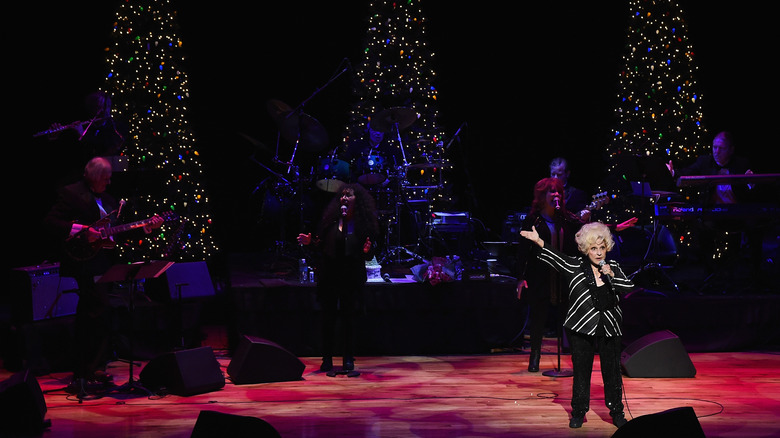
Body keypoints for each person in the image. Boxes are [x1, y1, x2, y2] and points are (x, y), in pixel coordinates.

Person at [43, 156, 164, 396]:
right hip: (81, 261)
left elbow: (117, 233)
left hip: (100, 263)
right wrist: (81, 230)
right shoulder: (70, 193)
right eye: (105, 179)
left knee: (97, 312)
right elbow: (50, 222)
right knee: (97, 308)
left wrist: (146, 227)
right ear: (95, 177)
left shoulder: (108, 201)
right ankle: (87, 369)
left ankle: (92, 368)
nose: (109, 183)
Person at [519, 221, 634, 429]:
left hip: (609, 327)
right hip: (581, 327)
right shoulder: (574, 266)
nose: (598, 253)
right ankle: (579, 412)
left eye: (602, 247)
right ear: (585, 249)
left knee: (613, 373)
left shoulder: (613, 267)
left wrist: (611, 276)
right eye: (593, 248)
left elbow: (628, 288)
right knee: (582, 372)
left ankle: (617, 412)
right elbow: (556, 258)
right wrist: (539, 242)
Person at [516, 178, 636, 373]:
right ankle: (535, 356)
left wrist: (615, 227)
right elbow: (523, 252)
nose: (556, 195)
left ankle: (578, 359)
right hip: (542, 276)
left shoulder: (564, 218)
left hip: (563, 277)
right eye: (551, 192)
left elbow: (587, 231)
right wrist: (520, 277)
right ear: (542, 196)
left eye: (558, 192)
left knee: (571, 319)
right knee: (538, 318)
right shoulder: (534, 220)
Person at [297, 183, 380, 372]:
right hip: (330, 277)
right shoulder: (331, 222)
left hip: (350, 277)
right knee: (328, 319)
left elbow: (369, 253)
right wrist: (310, 242)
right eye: (342, 195)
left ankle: (348, 358)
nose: (344, 198)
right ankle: (327, 359)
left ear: (357, 201)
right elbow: (320, 246)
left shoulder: (362, 225)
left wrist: (368, 251)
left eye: (349, 195)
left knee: (348, 319)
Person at [667, 131, 754, 205]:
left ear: (731, 150)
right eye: (715, 147)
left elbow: (750, 193)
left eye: (721, 148)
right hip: (710, 214)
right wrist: (672, 172)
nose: (717, 152)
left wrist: (750, 182)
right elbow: (687, 172)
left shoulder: (741, 164)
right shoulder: (704, 162)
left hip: (736, 213)